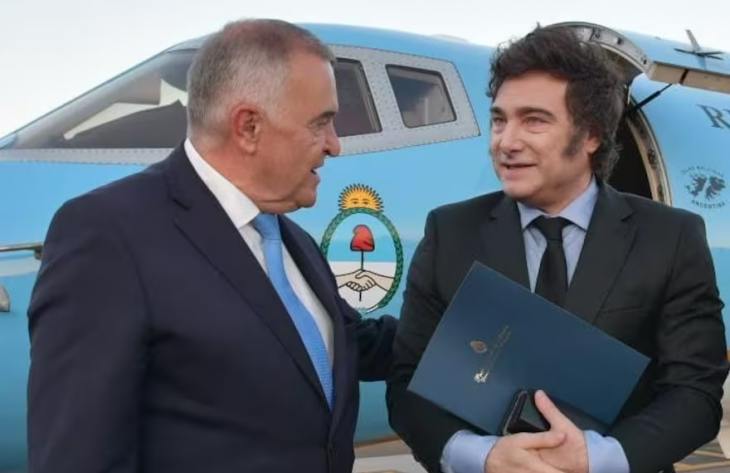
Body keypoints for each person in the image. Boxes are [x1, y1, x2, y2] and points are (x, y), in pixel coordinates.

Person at [27, 19, 396, 473]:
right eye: (321, 123)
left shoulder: (293, 242)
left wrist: (464, 315)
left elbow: (347, 345)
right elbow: (77, 457)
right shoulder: (109, 234)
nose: (335, 146)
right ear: (248, 127)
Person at [387, 26, 728, 473]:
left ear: (591, 135)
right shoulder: (449, 233)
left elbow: (695, 392)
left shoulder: (670, 237)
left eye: (534, 120)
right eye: (499, 120)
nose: (506, 142)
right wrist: (483, 457)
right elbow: (409, 383)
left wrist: (597, 459)